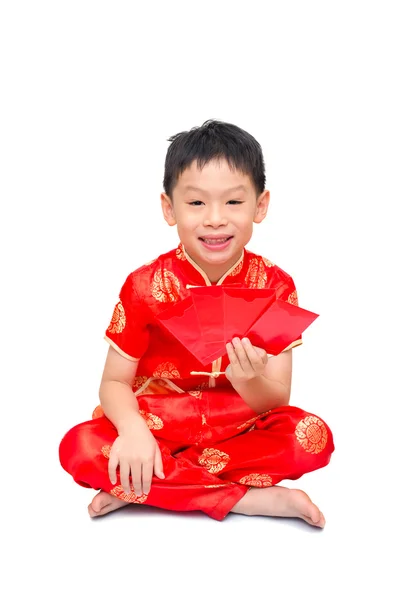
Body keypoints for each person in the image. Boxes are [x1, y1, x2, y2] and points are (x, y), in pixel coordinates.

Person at [59, 119, 334, 527]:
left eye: (234, 203)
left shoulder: (276, 285)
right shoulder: (144, 285)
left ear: (261, 205)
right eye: (197, 203)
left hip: (238, 426)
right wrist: (134, 432)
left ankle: (146, 485)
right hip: (158, 424)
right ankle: (248, 499)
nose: (215, 219)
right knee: (80, 446)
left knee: (312, 437)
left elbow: (276, 400)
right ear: (169, 209)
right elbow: (114, 383)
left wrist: (247, 381)